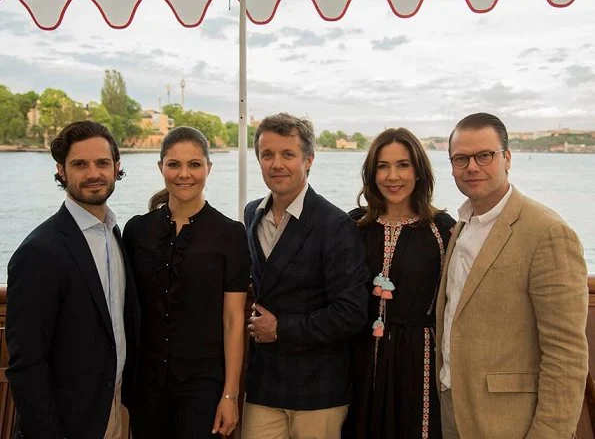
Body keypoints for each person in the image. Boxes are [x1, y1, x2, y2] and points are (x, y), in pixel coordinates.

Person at [436, 112, 589, 438]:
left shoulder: (547, 232)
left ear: (507, 158)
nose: (472, 167)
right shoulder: (461, 226)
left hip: (510, 421)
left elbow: (566, 355)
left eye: (484, 155)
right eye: (461, 158)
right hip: (453, 407)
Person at [5, 120, 140, 439]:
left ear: (117, 167)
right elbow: (26, 364)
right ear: (61, 170)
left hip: (117, 407)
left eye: (102, 163)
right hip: (70, 422)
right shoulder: (40, 252)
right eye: (80, 164)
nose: (93, 173)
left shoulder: (115, 234)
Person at [242, 112, 369, 439]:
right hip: (263, 385)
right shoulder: (251, 213)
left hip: (318, 389)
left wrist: (281, 328)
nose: (276, 164)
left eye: (288, 154)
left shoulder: (335, 225)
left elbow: (352, 312)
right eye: (267, 155)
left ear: (309, 159)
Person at [123, 126, 249, 438]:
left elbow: (233, 320)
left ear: (209, 167)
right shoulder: (137, 231)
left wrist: (230, 395)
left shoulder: (230, 234)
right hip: (145, 385)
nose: (184, 174)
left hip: (203, 386)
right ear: (161, 167)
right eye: (174, 164)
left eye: (194, 164)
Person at [344, 128, 455, 439]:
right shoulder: (352, 225)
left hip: (419, 358)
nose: (392, 176)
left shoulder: (442, 230)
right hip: (358, 355)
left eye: (403, 165)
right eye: (383, 166)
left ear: (419, 171)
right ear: (371, 173)